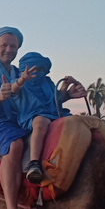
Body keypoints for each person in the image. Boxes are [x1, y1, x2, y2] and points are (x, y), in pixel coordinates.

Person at [0, 27, 86, 209]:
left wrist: (66, 96)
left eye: (13, 46)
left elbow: (36, 103)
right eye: (4, 45)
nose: (9, 49)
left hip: (21, 121)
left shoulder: (22, 72)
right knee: (16, 145)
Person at [12, 51, 77, 184]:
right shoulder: (18, 82)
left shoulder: (47, 82)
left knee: (77, 123)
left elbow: (55, 100)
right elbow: (13, 90)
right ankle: (34, 163)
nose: (36, 73)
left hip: (53, 114)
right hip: (31, 116)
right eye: (32, 69)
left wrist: (66, 87)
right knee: (40, 123)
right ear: (24, 69)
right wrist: (22, 80)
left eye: (40, 69)